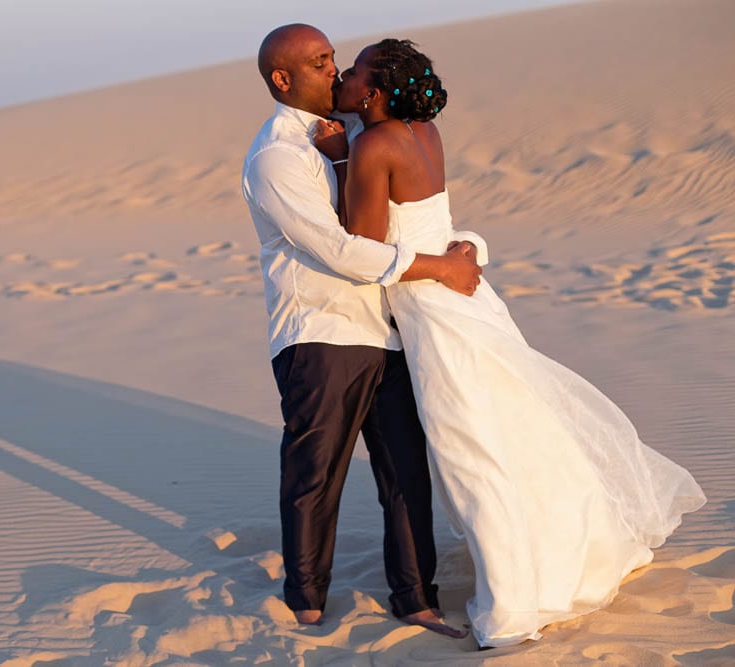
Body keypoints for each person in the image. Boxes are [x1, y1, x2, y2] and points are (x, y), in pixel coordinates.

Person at [313, 38, 707, 648]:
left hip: (432, 314)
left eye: (355, 71)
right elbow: (432, 223)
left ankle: (517, 599)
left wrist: (339, 162)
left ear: (374, 90)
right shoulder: (423, 132)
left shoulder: (372, 145)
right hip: (472, 303)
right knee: (518, 432)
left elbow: (366, 251)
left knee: (474, 453)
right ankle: (574, 553)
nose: (342, 75)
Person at [242, 24, 488, 636]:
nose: (335, 71)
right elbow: (340, 250)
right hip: (321, 333)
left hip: (390, 330)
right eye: (322, 62)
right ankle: (306, 600)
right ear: (283, 79)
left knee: (407, 472)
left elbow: (406, 207)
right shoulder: (276, 157)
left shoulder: (353, 131)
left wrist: (459, 248)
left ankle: (416, 599)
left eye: (335, 61)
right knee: (315, 474)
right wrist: (441, 268)